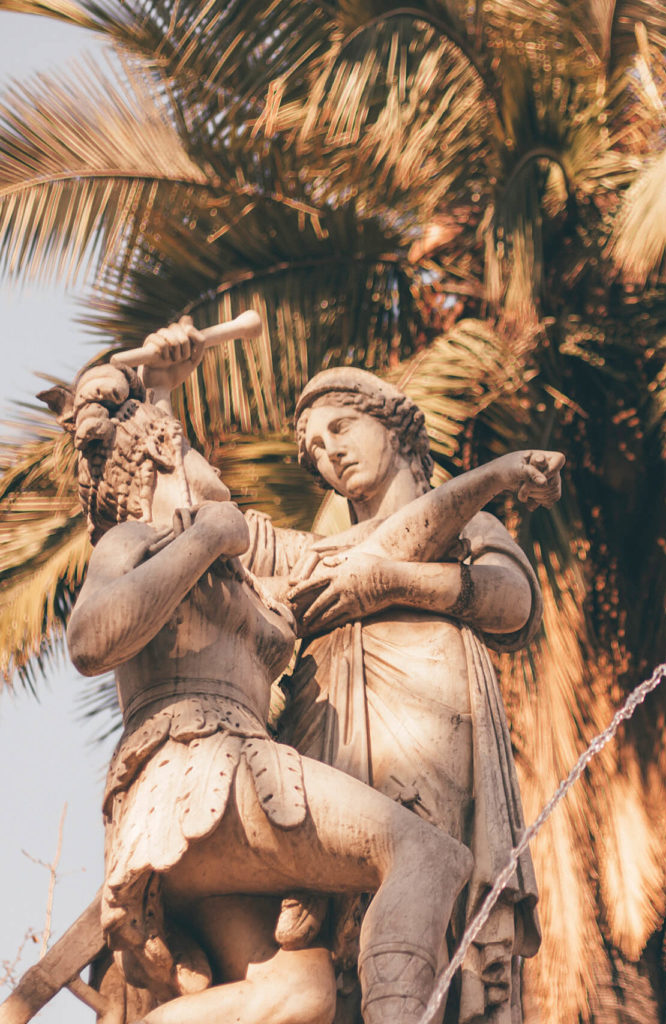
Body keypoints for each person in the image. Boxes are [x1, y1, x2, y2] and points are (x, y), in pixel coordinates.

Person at [142, 319, 563, 1024]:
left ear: (395, 430)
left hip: (432, 720)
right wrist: (158, 396)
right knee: (333, 938)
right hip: (325, 738)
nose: (329, 452)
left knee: (437, 897)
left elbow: (514, 605)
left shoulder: (466, 528)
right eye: (313, 449)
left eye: (341, 427)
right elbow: (185, 518)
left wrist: (394, 585)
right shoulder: (305, 553)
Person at [38, 358, 475, 1024]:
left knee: (300, 994)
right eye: (197, 451)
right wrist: (205, 534)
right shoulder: (134, 541)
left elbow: (374, 545)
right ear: (165, 448)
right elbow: (93, 640)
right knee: (424, 853)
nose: (224, 483)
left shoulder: (247, 572)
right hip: (198, 761)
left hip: (230, 802)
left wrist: (490, 483)